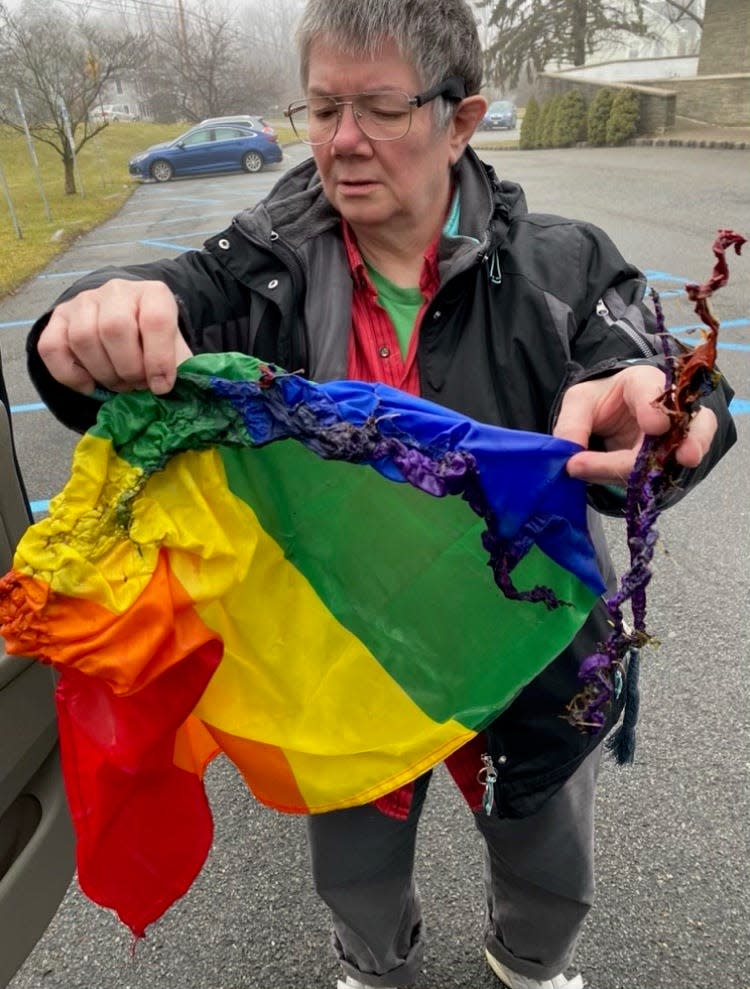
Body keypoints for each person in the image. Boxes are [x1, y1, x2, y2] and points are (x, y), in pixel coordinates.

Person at [26, 0, 735, 986]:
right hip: (344, 656)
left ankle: (531, 961)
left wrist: (678, 419)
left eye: (382, 107)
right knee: (354, 867)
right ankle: (374, 959)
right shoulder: (256, 271)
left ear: (461, 117)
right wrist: (86, 315)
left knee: (546, 855)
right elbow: (160, 296)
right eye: (322, 109)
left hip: (524, 651)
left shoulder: (564, 265)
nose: (344, 141)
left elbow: (655, 378)